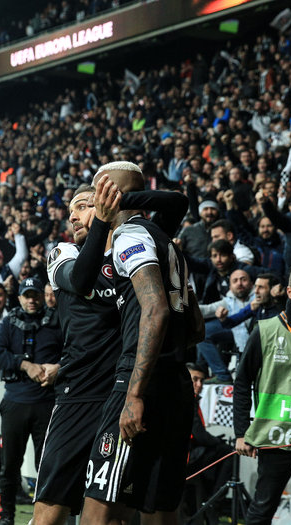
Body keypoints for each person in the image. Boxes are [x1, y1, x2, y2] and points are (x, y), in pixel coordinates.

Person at [33, 179, 189, 525]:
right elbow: (81, 280)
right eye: (70, 210)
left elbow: (177, 203)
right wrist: (100, 219)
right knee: (50, 512)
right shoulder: (62, 253)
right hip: (78, 393)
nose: (73, 216)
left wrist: (119, 200)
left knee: (113, 510)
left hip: (119, 391)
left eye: (83, 206)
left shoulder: (130, 247)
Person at [82, 161, 201, 525]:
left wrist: (134, 393)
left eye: (95, 193)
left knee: (99, 511)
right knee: (159, 509)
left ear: (107, 194)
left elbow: (155, 309)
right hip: (177, 385)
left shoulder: (130, 236)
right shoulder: (165, 240)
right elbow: (196, 328)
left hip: (140, 382)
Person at [233, 262, 291, 525]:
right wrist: (241, 432)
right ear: (290, 292)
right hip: (277, 436)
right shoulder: (266, 330)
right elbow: (241, 382)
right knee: (262, 509)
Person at [0, 276, 62, 525]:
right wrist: (24, 365)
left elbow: (74, 351)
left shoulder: (57, 319)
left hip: (47, 403)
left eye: (35, 295)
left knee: (47, 466)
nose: (32, 300)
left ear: (43, 296)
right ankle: (6, 516)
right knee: (9, 465)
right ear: (19, 298)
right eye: (27, 296)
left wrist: (59, 368)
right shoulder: (9, 321)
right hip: (15, 402)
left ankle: (43, 518)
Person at [184, 362, 233, 523]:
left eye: (202, 381)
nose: (199, 385)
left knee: (220, 453)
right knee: (228, 452)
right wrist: (217, 441)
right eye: (195, 379)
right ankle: (214, 502)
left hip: (190, 452)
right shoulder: (186, 400)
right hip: (185, 456)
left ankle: (210, 500)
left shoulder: (191, 399)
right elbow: (199, 435)